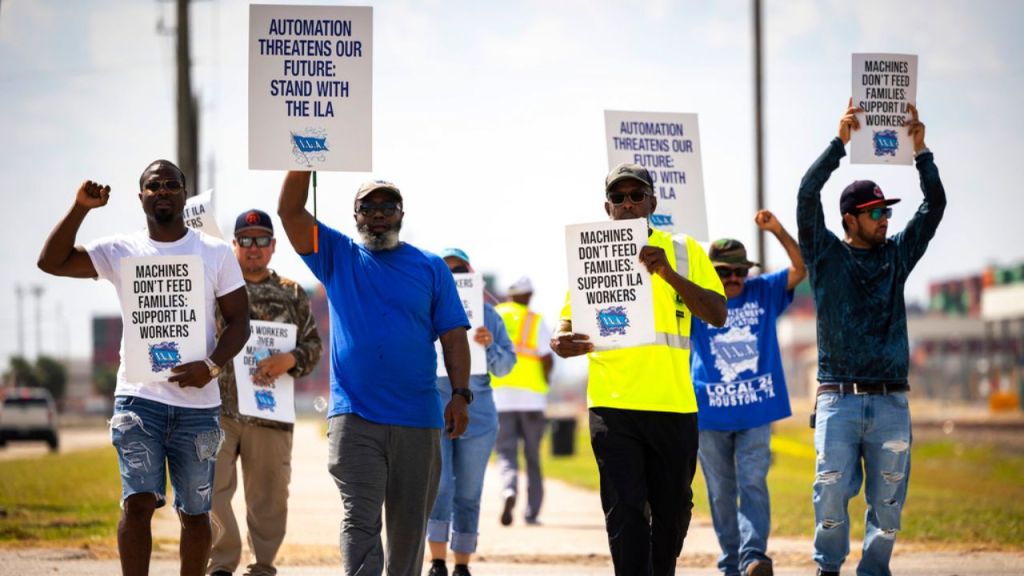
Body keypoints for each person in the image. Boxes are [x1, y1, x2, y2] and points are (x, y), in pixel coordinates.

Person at [37, 160, 250, 576]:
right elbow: (52, 262)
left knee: (194, 511)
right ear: (141, 197)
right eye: (154, 186)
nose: (164, 191)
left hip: (197, 406)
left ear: (184, 194)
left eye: (172, 184)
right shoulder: (120, 251)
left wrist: (210, 366)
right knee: (137, 503)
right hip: (139, 401)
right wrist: (81, 208)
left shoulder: (215, 252)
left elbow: (240, 320)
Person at [277, 172, 472, 576]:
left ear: (401, 214)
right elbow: (290, 211)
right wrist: (302, 159)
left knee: (408, 531)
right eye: (369, 208)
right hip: (354, 418)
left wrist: (460, 394)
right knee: (360, 519)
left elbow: (453, 336)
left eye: (387, 207)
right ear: (355, 215)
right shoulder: (337, 255)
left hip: (417, 418)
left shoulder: (431, 267)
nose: (378, 215)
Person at [551, 163, 727, 575]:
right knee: (625, 512)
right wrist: (559, 342)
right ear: (607, 207)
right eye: (619, 197)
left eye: (636, 195)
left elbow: (717, 313)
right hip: (613, 407)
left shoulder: (683, 250)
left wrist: (667, 272)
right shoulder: (591, 253)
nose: (627, 204)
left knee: (673, 515)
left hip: (673, 406)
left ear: (653, 202)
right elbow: (565, 325)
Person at [797, 101, 944, 576]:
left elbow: (934, 207)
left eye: (885, 211)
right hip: (838, 399)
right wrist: (839, 143)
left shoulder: (896, 256)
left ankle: (873, 571)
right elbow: (805, 194)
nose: (885, 218)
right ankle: (828, 568)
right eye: (875, 212)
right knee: (831, 491)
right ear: (850, 219)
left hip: (891, 404)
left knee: (888, 502)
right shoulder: (824, 256)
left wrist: (921, 153)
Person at [690, 213, 806, 576]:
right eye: (725, 272)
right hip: (709, 413)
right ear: (711, 273)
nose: (735, 278)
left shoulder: (763, 291)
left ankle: (753, 556)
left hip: (756, 410)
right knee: (721, 492)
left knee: (753, 482)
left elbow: (801, 269)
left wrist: (777, 231)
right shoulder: (696, 299)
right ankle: (730, 561)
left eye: (740, 271)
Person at [208, 209, 323, 576]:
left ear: (273, 246)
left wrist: (289, 359)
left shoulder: (291, 293)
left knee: (270, 497)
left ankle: (262, 565)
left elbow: (314, 346)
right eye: (246, 239)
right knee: (211, 492)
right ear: (234, 245)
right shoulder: (214, 288)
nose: (253, 247)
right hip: (218, 408)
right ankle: (221, 564)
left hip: (270, 413)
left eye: (261, 240)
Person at [426, 248, 517, 576]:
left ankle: (461, 564)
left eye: (459, 270)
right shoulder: (424, 310)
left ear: (471, 273)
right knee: (439, 486)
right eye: (446, 272)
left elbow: (507, 366)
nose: (454, 277)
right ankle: (437, 562)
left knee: (468, 490)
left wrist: (489, 344)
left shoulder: (490, 315)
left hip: (478, 418)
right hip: (433, 412)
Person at [491, 275, 553, 526]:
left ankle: (509, 490)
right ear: (528, 295)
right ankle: (532, 512)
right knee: (533, 458)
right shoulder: (535, 320)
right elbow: (547, 357)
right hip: (532, 401)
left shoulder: (494, 315)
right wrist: (546, 382)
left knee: (506, 453)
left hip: (500, 399)